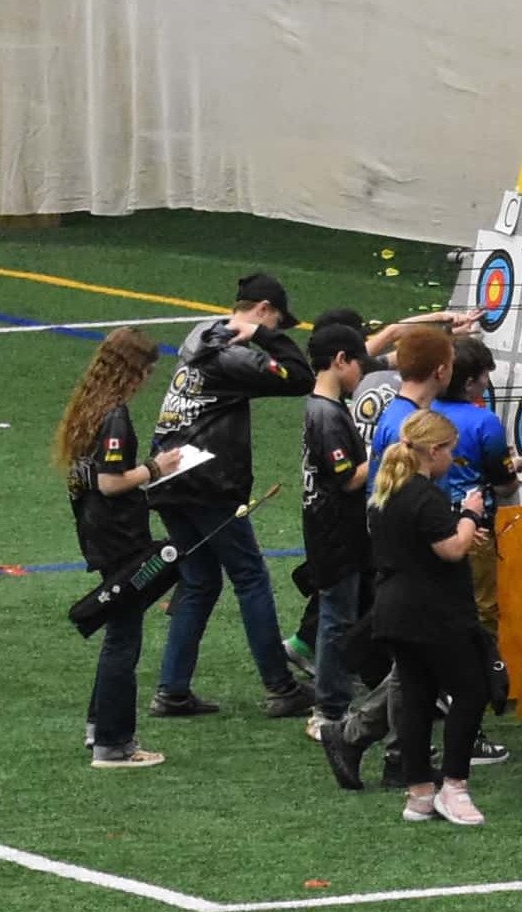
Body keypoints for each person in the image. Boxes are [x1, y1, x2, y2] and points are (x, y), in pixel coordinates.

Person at [145, 272, 313, 722]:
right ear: (262, 310)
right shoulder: (232, 354)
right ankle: (280, 687)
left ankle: (172, 691)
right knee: (250, 576)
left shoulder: (200, 334)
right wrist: (262, 337)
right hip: (207, 481)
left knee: (201, 580)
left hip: (168, 474)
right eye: (275, 322)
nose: (275, 332)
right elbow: (300, 377)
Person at [364, 409, 495, 823]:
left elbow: (425, 541)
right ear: (434, 450)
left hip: (394, 611)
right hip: (433, 613)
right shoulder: (425, 495)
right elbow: (451, 550)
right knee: (471, 691)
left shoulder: (387, 493)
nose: (452, 459)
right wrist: (470, 515)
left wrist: (459, 530)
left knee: (417, 698)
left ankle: (419, 792)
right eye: (450, 452)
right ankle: (454, 787)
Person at [60, 328, 170, 768]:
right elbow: (110, 482)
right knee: (124, 639)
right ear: (132, 372)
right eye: (146, 373)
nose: (146, 382)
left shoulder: (88, 409)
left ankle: (98, 726)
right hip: (120, 536)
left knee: (118, 633)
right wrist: (156, 468)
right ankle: (114, 743)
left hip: (96, 531)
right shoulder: (115, 417)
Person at [293, 318, 379, 777]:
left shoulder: (323, 406)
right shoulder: (326, 416)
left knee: (341, 615)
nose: (361, 373)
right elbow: (347, 478)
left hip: (331, 528)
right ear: (340, 360)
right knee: (336, 619)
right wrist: (387, 450)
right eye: (358, 364)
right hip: (335, 530)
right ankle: (328, 711)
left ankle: (335, 700)